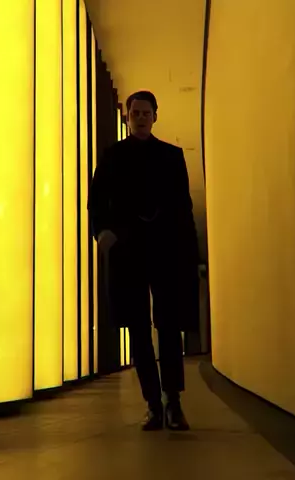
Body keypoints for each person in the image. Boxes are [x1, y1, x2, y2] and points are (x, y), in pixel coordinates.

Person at [88, 90, 199, 431]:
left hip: (166, 250)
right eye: (135, 112)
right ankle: (153, 403)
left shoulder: (171, 156)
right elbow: (96, 200)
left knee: (168, 326)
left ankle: (172, 402)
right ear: (127, 117)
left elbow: (183, 208)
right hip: (128, 251)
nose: (140, 117)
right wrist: (101, 233)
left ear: (154, 116)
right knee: (138, 328)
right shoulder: (112, 156)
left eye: (145, 113)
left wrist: (189, 252)